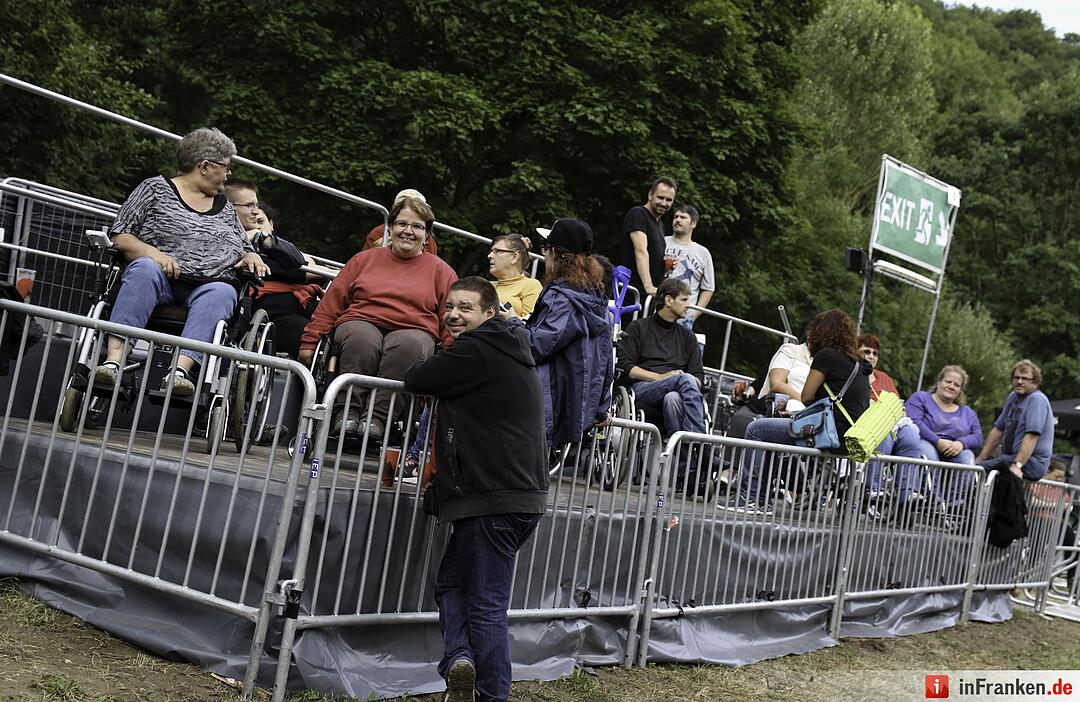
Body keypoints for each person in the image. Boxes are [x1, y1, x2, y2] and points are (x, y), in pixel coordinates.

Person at [403, 276, 547, 702]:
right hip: (503, 497)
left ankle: (490, 693)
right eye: (449, 307)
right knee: (451, 584)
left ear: (489, 313)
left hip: (495, 499)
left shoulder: (478, 348)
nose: (453, 315)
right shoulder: (507, 347)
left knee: (485, 606)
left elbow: (418, 376)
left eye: (465, 308)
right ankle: (460, 661)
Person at [95, 127, 269, 396]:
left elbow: (242, 247)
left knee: (224, 292)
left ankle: (179, 371)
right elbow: (121, 236)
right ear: (204, 166)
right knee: (143, 268)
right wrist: (155, 254)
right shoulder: (153, 189)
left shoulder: (223, 206)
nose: (228, 174)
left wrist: (251, 255)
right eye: (225, 166)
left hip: (209, 286)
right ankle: (113, 360)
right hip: (159, 278)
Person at [299, 195, 457, 436]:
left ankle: (378, 417)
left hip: (415, 330)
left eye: (417, 226)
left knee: (409, 345)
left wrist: (453, 355)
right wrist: (310, 341)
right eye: (402, 224)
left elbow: (450, 318)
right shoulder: (363, 260)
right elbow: (332, 303)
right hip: (361, 321)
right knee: (362, 340)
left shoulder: (441, 271)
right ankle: (348, 412)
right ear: (390, 228)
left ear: (427, 235)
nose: (408, 231)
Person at [734, 309, 871, 512]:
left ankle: (751, 499)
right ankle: (761, 502)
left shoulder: (826, 356)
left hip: (827, 433)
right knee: (773, 432)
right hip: (848, 439)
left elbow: (807, 397)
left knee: (757, 429)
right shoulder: (859, 365)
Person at [512, 218, 612, 449]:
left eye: (546, 249)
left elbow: (537, 346)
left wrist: (510, 324)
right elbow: (606, 361)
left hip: (544, 402)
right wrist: (600, 408)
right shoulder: (597, 299)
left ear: (555, 253)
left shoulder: (563, 297)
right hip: (570, 406)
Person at [224, 180, 326, 358]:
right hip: (271, 311)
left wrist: (262, 237)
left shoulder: (276, 245)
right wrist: (303, 270)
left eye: (262, 220)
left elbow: (298, 260)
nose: (255, 214)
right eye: (249, 206)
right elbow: (300, 268)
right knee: (315, 336)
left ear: (272, 225)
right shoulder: (230, 239)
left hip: (305, 304)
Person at [616, 278, 705, 440]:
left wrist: (683, 381)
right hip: (643, 388)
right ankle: (701, 443)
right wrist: (663, 377)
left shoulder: (688, 336)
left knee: (673, 399)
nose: (689, 305)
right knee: (683, 379)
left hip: (676, 392)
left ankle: (686, 459)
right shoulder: (638, 328)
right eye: (684, 300)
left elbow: (698, 376)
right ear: (669, 300)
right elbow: (626, 367)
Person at [856, 335, 927, 514]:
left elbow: (897, 403)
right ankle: (873, 489)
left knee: (911, 437)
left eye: (875, 353)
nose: (871, 356)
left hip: (894, 421)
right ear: (856, 351)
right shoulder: (853, 374)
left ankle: (908, 494)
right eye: (866, 351)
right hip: (868, 424)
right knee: (883, 437)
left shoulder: (885, 378)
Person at [975, 359, 1055, 481]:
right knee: (976, 462)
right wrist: (980, 457)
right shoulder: (1013, 397)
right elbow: (998, 430)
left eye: (1025, 379)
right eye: (1016, 377)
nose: (1019, 381)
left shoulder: (1037, 400)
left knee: (979, 469)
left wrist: (1018, 465)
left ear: (1035, 383)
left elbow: (1032, 436)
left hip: (1032, 463)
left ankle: (958, 499)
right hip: (1010, 458)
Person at [621, 177, 676, 297]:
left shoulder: (660, 226)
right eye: (660, 197)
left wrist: (666, 267)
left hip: (650, 295)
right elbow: (640, 251)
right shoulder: (638, 214)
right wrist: (649, 286)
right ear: (650, 195)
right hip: (633, 292)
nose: (664, 203)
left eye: (669, 200)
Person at [663, 204, 714, 328]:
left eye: (683, 217)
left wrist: (694, 314)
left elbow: (708, 288)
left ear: (693, 223)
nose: (678, 220)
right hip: (658, 309)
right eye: (676, 217)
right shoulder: (661, 242)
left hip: (684, 316)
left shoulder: (703, 253)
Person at [362, 188, 438, 255]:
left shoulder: (429, 240)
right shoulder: (378, 233)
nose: (408, 231)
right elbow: (365, 262)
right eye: (402, 224)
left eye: (418, 208)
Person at [487, 234, 542, 317]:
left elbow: (532, 326)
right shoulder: (487, 285)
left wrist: (505, 317)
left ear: (514, 257)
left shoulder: (531, 285)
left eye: (497, 251)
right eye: (491, 251)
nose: (489, 256)